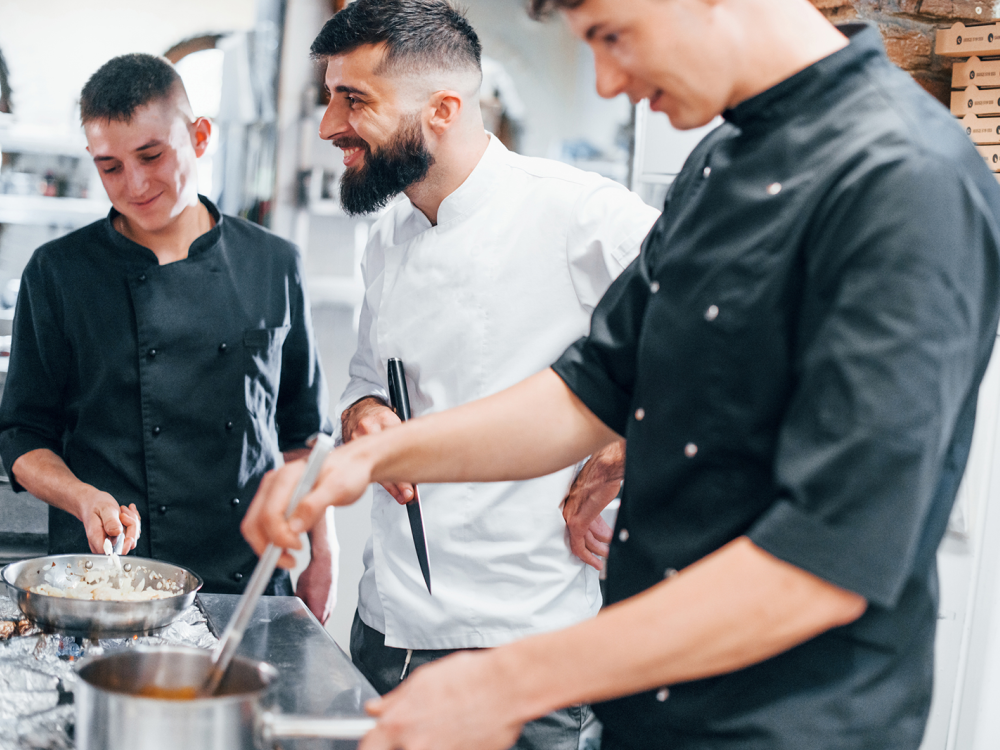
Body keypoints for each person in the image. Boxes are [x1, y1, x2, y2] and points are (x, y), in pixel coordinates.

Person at [243, 0, 1000, 747]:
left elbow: (827, 559)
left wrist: (511, 679)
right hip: (653, 710)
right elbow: (586, 390)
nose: (605, 83)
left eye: (613, 36)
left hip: (785, 723)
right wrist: (368, 456)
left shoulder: (905, 176)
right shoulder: (718, 164)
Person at [308, 2, 658, 747]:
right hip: (387, 630)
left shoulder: (583, 215)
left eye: (354, 100)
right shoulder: (386, 232)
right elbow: (366, 375)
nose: (328, 125)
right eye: (330, 96)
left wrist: (631, 445)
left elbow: (720, 342)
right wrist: (364, 412)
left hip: (530, 651)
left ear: (443, 108)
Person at [0, 54, 337, 619]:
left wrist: (323, 550)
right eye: (109, 166)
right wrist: (81, 496)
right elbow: (21, 438)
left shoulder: (274, 264)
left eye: (151, 156)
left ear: (199, 136)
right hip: (107, 583)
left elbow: (306, 435)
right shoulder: (58, 272)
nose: (134, 184)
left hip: (246, 579)